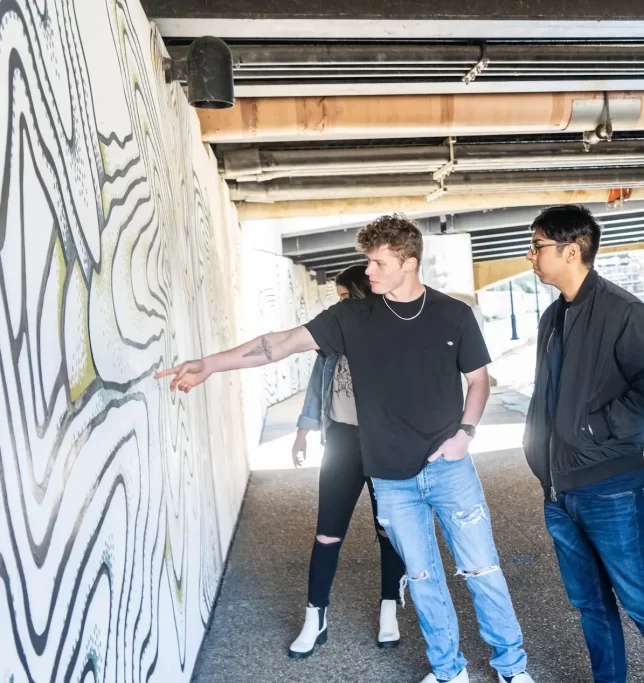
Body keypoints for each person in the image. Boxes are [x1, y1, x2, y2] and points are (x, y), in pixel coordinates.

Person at [156, 215, 536, 683]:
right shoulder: (352, 317)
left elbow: (478, 381)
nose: (368, 271)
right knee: (422, 580)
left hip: (449, 468)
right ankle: (448, 671)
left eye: (377, 262)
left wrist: (466, 434)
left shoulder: (452, 314)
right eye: (367, 261)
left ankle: (512, 668)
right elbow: (280, 344)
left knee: (482, 570)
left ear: (409, 263)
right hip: (391, 478)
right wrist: (210, 364)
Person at [522, 205, 644, 683]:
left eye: (537, 246)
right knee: (590, 606)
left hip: (609, 486)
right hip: (558, 490)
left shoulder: (625, 312)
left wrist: (590, 432)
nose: (529, 256)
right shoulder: (553, 317)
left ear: (572, 249)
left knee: (642, 602)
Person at [288, 265, 406, 658]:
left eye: (343, 297)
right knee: (327, 533)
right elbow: (315, 387)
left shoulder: (391, 338)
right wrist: (305, 430)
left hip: (384, 445)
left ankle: (389, 607)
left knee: (387, 529)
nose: (337, 306)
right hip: (341, 441)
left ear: (360, 296)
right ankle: (315, 616)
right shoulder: (333, 341)